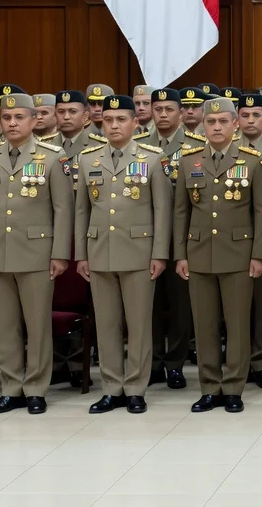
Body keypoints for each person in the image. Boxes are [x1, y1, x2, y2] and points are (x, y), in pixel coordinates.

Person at [0, 93, 74, 415]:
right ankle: (11, 388)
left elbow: (62, 210)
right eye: (6, 118)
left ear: (34, 121)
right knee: (5, 325)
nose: (12, 123)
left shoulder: (53, 157)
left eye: (19, 118)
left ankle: (36, 388)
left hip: (37, 253)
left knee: (37, 324)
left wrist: (59, 254)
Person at [174, 97, 262, 413]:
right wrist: (180, 255)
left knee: (237, 324)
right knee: (204, 325)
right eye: (211, 122)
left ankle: (233, 387)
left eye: (222, 122)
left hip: (239, 254)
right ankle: (209, 387)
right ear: (203, 125)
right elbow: (181, 212)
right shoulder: (189, 161)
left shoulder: (252, 160)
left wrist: (259, 255)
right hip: (199, 252)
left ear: (235, 124)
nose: (216, 127)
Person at [75, 95, 172, 414]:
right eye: (108, 120)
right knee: (106, 324)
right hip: (100, 249)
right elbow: (81, 211)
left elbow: (162, 209)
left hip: (140, 252)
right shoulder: (88, 159)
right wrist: (81, 254)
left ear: (134, 123)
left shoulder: (153, 157)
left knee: (139, 324)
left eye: (121, 120)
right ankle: (111, 387)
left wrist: (159, 253)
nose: (113, 126)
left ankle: (135, 388)